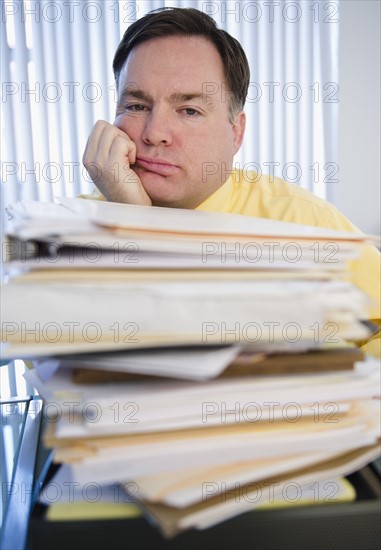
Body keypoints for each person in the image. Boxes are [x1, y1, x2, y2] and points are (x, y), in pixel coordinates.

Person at [82, 7, 380, 356]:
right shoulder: (69, 232)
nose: (154, 133)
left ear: (235, 133)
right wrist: (132, 222)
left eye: (189, 110)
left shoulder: (305, 223)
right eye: (136, 106)